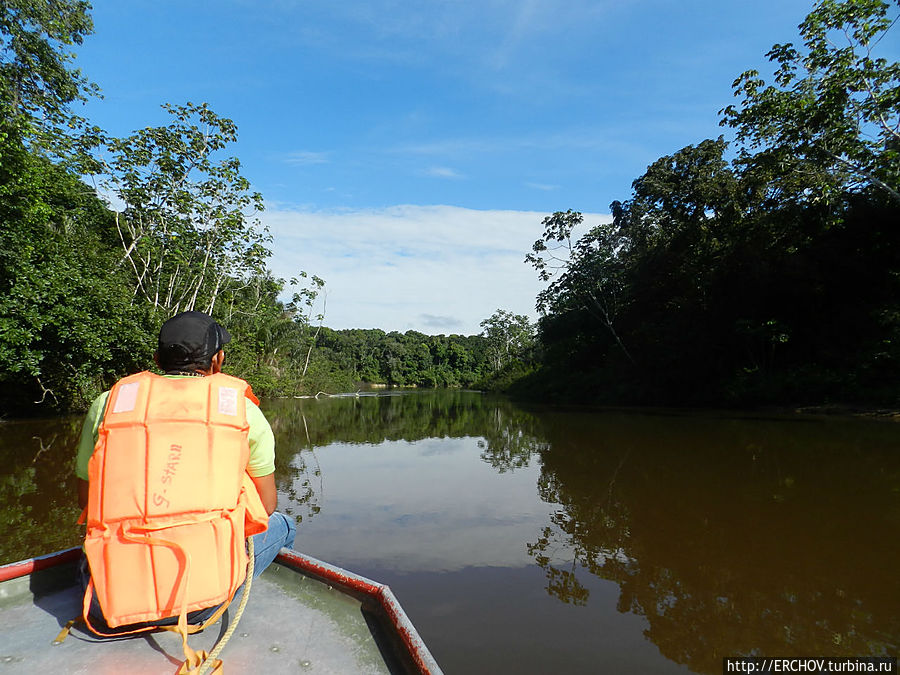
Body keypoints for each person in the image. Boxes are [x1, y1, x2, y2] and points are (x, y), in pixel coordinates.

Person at [74, 311, 295, 638]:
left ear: (156, 358)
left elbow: (86, 500)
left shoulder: (108, 404)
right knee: (284, 524)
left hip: (104, 602)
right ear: (217, 360)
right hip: (201, 603)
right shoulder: (242, 410)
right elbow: (266, 505)